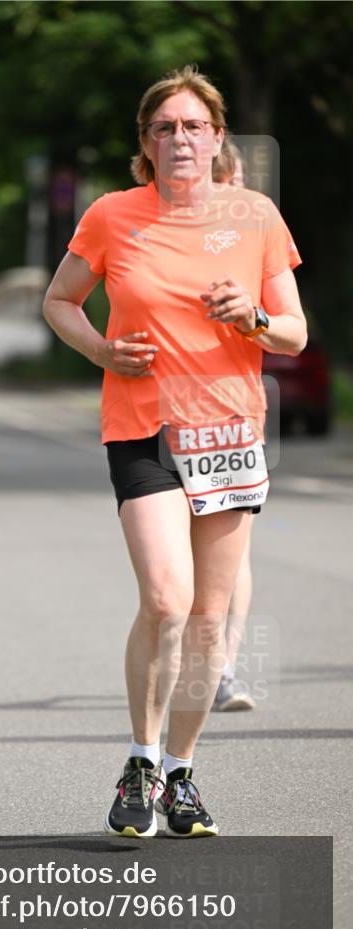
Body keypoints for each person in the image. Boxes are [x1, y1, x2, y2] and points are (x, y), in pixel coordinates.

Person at [43, 67, 306, 837]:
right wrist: (99, 349)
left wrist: (252, 316)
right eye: (165, 128)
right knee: (166, 600)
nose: (180, 139)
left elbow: (292, 331)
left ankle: (182, 774)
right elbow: (59, 299)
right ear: (145, 145)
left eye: (194, 126)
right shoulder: (111, 216)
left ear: (218, 138)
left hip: (227, 431)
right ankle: (139, 759)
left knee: (208, 619)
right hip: (143, 425)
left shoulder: (254, 215)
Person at [214, 139, 256, 712]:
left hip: (236, 410)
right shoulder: (161, 230)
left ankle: (222, 668)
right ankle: (214, 664)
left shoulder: (255, 233)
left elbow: (288, 326)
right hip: (169, 412)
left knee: (236, 555)